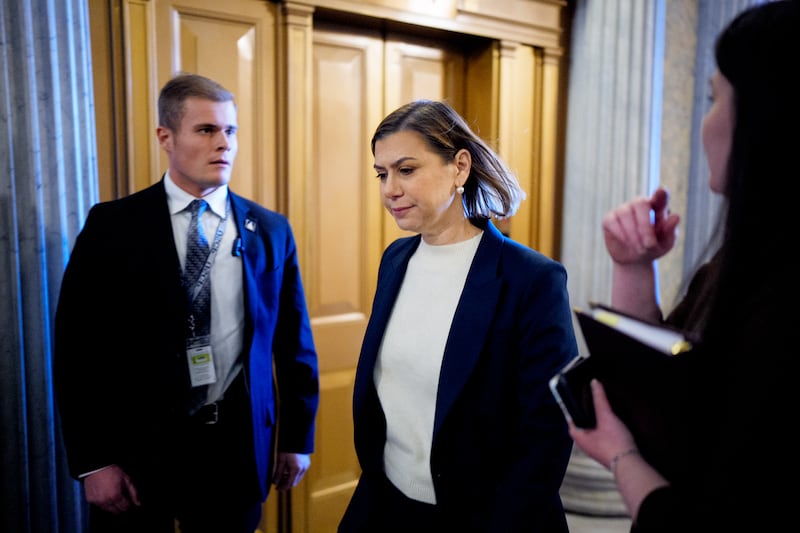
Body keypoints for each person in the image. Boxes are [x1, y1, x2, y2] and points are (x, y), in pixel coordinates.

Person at [569, 1, 800, 531]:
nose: (706, 122)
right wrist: (633, 267)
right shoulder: (740, 262)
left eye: (714, 98)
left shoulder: (788, 300)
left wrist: (621, 456)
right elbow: (668, 383)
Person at [53, 73, 320, 533]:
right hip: (138, 451)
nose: (224, 144)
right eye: (206, 130)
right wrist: (94, 462)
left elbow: (294, 343)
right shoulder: (112, 226)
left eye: (230, 131)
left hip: (236, 446)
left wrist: (296, 438)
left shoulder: (270, 230)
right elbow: (78, 353)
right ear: (166, 137)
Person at [338, 99, 578, 532]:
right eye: (382, 173)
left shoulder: (531, 280)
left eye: (406, 170)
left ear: (460, 167)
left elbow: (547, 433)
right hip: (387, 506)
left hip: (485, 518)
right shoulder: (396, 259)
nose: (389, 188)